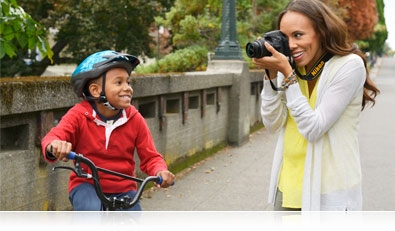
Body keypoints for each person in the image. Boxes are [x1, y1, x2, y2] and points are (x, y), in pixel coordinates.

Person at [252, 0, 379, 211]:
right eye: (285, 37)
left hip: (329, 194)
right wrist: (271, 76)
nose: (291, 45)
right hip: (288, 189)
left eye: (298, 35)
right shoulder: (293, 68)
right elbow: (272, 123)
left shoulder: (348, 66)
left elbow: (314, 129)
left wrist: (289, 75)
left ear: (321, 32)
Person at [41, 50, 175, 211]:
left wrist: (160, 171)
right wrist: (54, 146)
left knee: (133, 217)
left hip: (124, 189)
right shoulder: (78, 115)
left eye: (128, 82)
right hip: (86, 185)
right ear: (96, 90)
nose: (127, 88)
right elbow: (52, 137)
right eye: (119, 83)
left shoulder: (134, 118)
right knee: (90, 210)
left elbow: (151, 156)